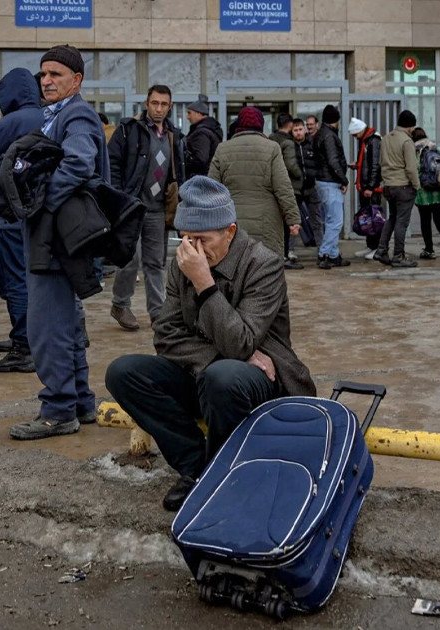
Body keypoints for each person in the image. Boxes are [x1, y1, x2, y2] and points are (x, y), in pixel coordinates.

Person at [105, 176, 316, 511]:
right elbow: (166, 335)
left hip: (263, 383)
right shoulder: (184, 261)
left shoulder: (264, 264)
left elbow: (242, 342)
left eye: (203, 239)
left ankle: (227, 474)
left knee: (224, 377)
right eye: (187, 237)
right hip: (208, 373)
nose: (193, 248)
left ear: (230, 232)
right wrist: (214, 359)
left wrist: (204, 282)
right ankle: (196, 466)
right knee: (123, 372)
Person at [8, 44, 109, 441]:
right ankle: (80, 402)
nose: (46, 81)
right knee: (65, 324)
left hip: (54, 239)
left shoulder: (76, 114)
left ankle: (57, 412)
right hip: (57, 239)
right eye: (43, 74)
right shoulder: (59, 115)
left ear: (76, 81)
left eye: (56, 75)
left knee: (46, 327)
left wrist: (40, 203)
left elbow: (79, 163)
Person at [0, 68, 42, 374]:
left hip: (8, 214)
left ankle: (23, 347)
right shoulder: (46, 116)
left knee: (15, 281)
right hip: (36, 213)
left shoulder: (12, 121)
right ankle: (30, 337)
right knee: (35, 279)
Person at [107, 85, 183, 331]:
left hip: (158, 209)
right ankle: (120, 303)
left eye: (163, 104)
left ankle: (157, 313)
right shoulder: (129, 131)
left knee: (155, 263)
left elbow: (178, 170)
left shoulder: (174, 135)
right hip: (132, 207)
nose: (158, 108)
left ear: (170, 107)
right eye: (154, 103)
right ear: (146, 104)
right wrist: (118, 197)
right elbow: (113, 163)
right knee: (130, 259)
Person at [208, 106, 299, 260]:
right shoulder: (272, 148)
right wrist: (293, 219)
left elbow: (211, 189)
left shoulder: (223, 149)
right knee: (265, 271)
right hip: (266, 222)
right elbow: (283, 187)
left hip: (232, 222)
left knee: (234, 270)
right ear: (260, 125)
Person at [376, 109, 420, 268]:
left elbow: (381, 163)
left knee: (392, 218)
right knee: (402, 222)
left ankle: (381, 249)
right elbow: (411, 168)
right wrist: (417, 186)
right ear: (410, 127)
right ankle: (398, 255)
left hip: (389, 186)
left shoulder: (386, 138)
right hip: (404, 187)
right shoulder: (407, 141)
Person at [411, 128, 440, 260]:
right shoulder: (438, 149)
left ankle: (429, 250)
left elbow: (414, 171)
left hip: (424, 194)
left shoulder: (415, 152)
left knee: (425, 222)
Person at [312, 105, 350, 269]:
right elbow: (333, 161)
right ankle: (324, 253)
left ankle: (333, 255)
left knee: (329, 221)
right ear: (337, 120)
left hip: (322, 182)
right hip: (330, 182)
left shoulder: (320, 134)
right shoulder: (329, 136)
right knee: (336, 222)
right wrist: (344, 180)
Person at [269, 113, 305, 269]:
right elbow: (291, 165)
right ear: (290, 126)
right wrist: (301, 176)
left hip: (271, 186)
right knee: (288, 222)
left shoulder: (270, 139)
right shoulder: (288, 143)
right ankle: (284, 255)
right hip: (288, 185)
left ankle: (277, 254)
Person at [348, 116, 384, 258]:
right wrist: (357, 165)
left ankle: (377, 248)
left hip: (371, 188)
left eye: (355, 134)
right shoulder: (366, 141)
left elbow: (375, 165)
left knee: (375, 219)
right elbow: (368, 163)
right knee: (367, 218)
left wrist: (370, 186)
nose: (355, 137)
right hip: (365, 187)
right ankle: (371, 246)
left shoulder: (373, 141)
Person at [291, 119, 321, 249]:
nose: (298, 133)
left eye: (300, 129)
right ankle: (289, 251)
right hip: (295, 189)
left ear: (304, 129)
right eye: (295, 130)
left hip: (311, 186)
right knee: (292, 221)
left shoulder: (313, 144)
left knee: (316, 220)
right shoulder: (290, 146)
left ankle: (322, 249)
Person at [183, 94, 222, 179]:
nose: (187, 117)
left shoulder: (201, 133)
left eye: (189, 113)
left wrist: (184, 163)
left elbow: (201, 159)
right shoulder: (209, 129)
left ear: (199, 114)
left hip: (199, 180)